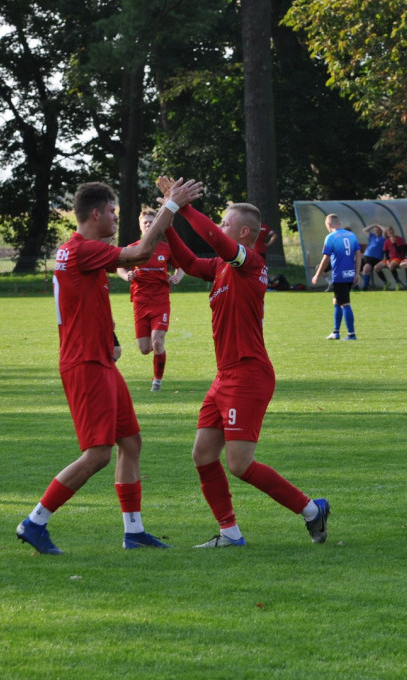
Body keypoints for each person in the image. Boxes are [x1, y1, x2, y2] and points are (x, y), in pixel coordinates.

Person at [16, 178, 203, 555]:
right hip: (85, 364)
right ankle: (35, 521)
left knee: (130, 443)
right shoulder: (82, 249)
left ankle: (133, 532)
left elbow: (87, 300)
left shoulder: (79, 250)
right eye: (114, 211)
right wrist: (171, 207)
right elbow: (139, 254)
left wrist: (113, 339)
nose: (117, 217)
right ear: (97, 213)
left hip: (99, 359)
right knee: (98, 454)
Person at [156, 175, 330, 549]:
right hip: (226, 377)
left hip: (249, 374)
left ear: (244, 232)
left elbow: (214, 240)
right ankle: (230, 533)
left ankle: (312, 510)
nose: (219, 228)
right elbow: (186, 259)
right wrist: (166, 216)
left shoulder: (247, 262)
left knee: (239, 464)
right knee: (203, 455)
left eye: (225, 222)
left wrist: (181, 205)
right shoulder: (221, 267)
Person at [116, 207, 184, 392]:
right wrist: (126, 275)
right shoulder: (133, 248)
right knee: (145, 349)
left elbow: (181, 266)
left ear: (157, 226)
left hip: (160, 301)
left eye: (152, 222)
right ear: (140, 225)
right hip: (140, 302)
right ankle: (158, 357)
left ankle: (157, 382)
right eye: (145, 222)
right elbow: (119, 268)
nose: (148, 225)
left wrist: (178, 276)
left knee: (157, 342)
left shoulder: (166, 248)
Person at [311, 214, 361, 340]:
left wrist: (317, 275)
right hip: (350, 274)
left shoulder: (330, 237)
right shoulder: (351, 235)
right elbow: (358, 255)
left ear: (328, 224)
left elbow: (326, 258)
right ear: (339, 223)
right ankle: (336, 332)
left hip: (339, 275)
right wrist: (357, 273)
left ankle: (351, 334)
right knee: (337, 301)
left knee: (345, 303)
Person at [376, 226, 406, 291]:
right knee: (376, 267)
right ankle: (386, 283)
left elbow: (400, 251)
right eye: (389, 232)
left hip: (398, 258)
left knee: (391, 266)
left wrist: (394, 243)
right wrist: (387, 261)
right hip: (390, 259)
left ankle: (397, 283)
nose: (391, 233)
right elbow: (386, 253)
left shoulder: (399, 239)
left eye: (391, 231)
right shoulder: (386, 241)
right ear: (387, 234)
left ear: (393, 231)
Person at [360, 224, 389, 290]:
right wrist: (373, 225)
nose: (376, 231)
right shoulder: (372, 236)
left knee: (366, 268)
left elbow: (385, 230)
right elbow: (364, 230)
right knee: (354, 267)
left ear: (381, 231)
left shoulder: (383, 238)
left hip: (375, 258)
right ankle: (354, 287)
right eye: (375, 230)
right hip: (366, 257)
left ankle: (365, 288)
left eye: (378, 230)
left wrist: (378, 225)